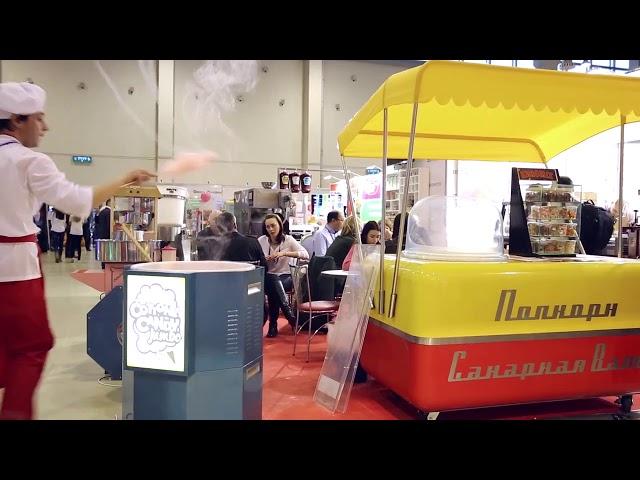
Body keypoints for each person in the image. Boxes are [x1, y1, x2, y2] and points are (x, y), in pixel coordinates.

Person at [0, 81, 155, 419]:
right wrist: (125, 178)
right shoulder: (27, 161)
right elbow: (77, 199)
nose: (46, 126)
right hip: (14, 271)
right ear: (16, 120)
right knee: (30, 348)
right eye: (39, 118)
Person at [258, 214, 309, 338]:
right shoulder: (261, 240)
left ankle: (273, 325)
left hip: (286, 277)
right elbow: (256, 259)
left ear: (280, 226)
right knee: (272, 281)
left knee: (273, 284)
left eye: (273, 225)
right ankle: (289, 315)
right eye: (268, 227)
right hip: (269, 278)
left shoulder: (288, 240)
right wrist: (264, 259)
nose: (270, 229)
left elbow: (305, 254)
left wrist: (284, 253)